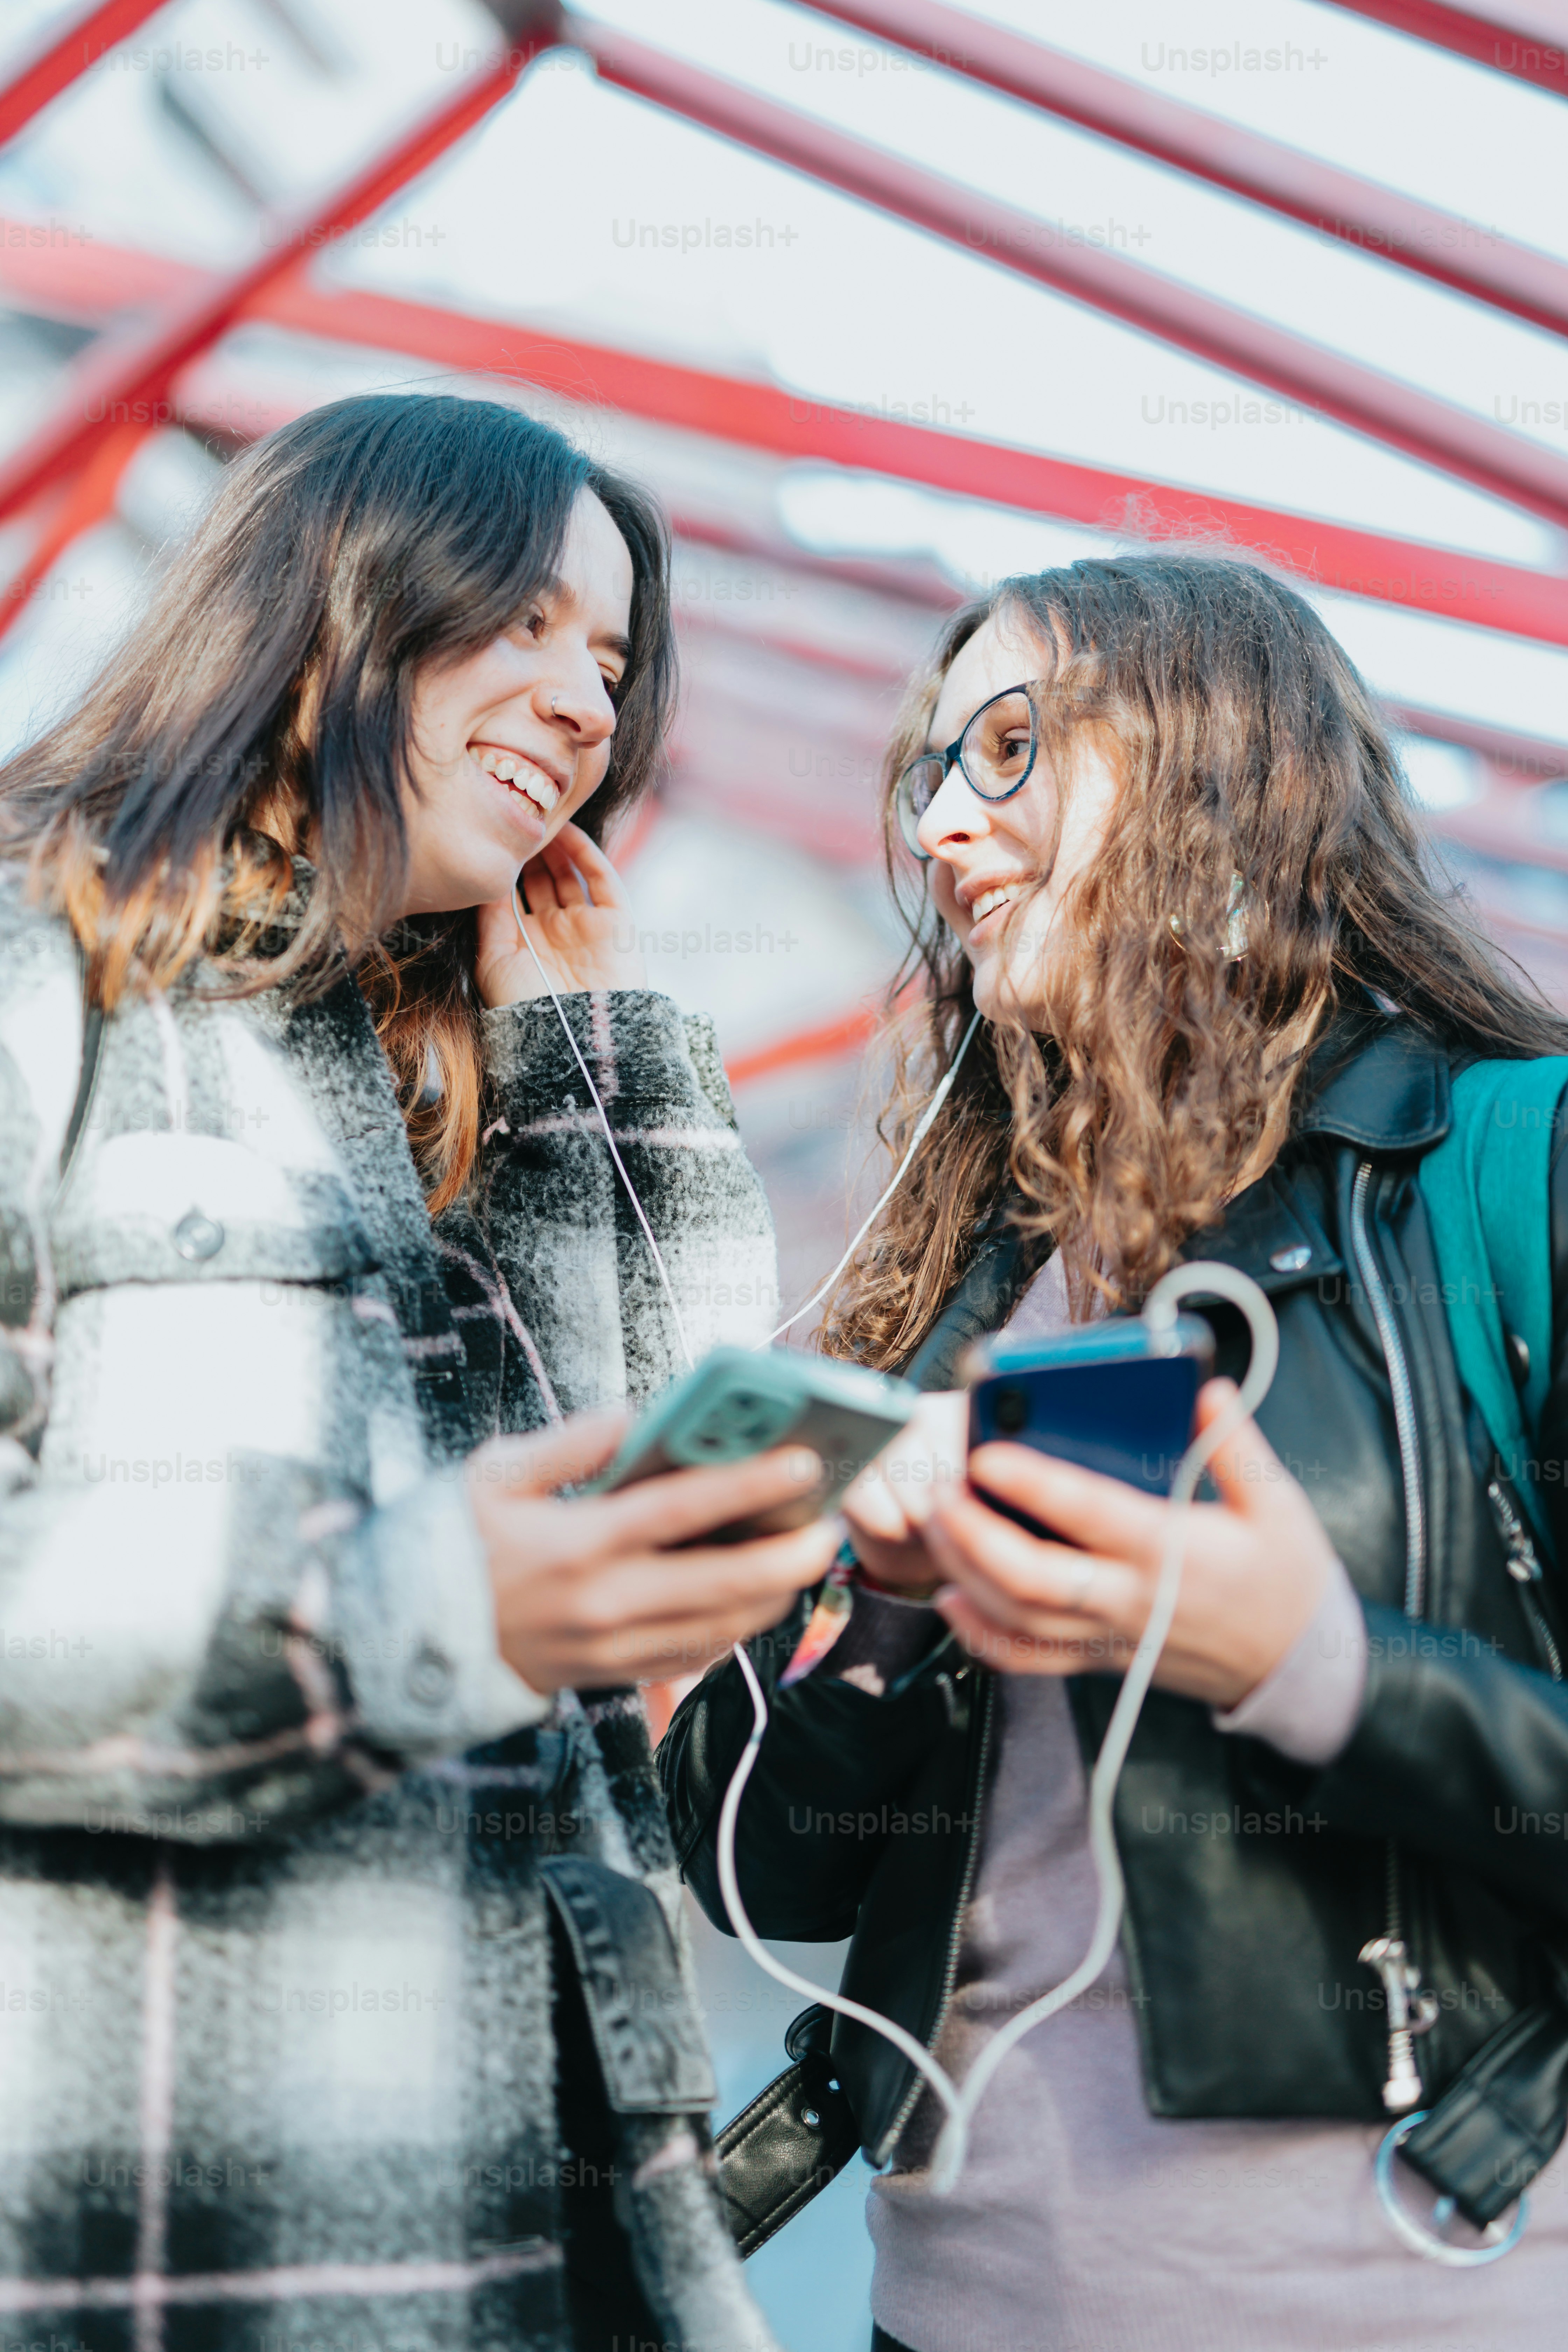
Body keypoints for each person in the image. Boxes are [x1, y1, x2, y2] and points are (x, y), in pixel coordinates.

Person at [0, 392, 837, 2352]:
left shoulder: (437, 1065)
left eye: (615, 666)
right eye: (526, 623)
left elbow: (643, 1465)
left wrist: (594, 1066)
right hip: (194, 2240)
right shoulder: (49, 976)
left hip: (551, 2209)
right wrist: (399, 1615)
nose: (583, 707)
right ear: (332, 601)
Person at [661, 554, 1568, 2350]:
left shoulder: (1509, 1169)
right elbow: (764, 1880)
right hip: (952, 2314)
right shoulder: (951, 1269)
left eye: (1010, 749)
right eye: (930, 770)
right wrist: (883, 1618)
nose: (940, 825)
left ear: (1224, 769)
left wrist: (1315, 1672)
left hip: (1416, 2304)